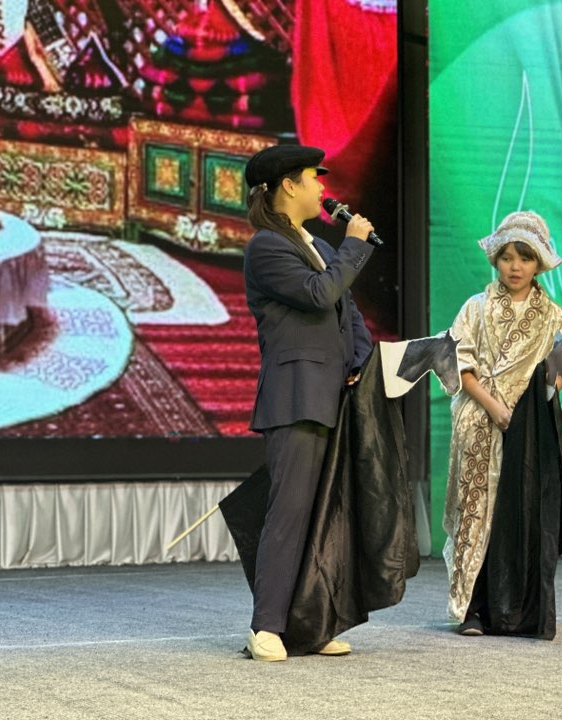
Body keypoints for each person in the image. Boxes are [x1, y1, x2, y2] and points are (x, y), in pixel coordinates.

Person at [241, 144, 376, 661]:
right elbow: (319, 293)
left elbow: (346, 311)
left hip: (332, 391)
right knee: (290, 512)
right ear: (288, 185)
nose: (323, 188)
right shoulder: (267, 246)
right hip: (296, 395)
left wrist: (360, 358)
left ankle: (308, 626)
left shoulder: (315, 242)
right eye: (313, 178)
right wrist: (354, 245)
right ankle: (266, 626)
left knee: (323, 513)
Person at [442, 210, 562, 640]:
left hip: (529, 428)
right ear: (496, 260)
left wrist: (561, 372)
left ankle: (518, 610)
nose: (515, 267)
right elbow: (459, 364)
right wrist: (492, 406)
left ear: (539, 263)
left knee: (519, 513)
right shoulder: (476, 307)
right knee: (476, 513)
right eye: (507, 257)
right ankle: (472, 609)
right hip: (480, 417)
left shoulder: (552, 315)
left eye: (525, 258)